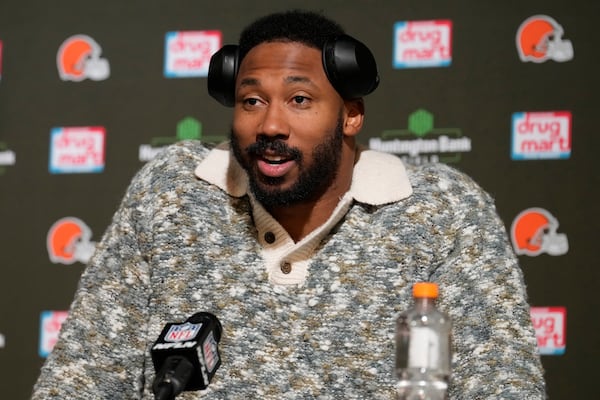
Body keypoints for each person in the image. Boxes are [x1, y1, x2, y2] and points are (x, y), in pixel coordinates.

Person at [32, 10, 546, 399]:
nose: (270, 125)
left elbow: (504, 382)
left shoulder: (443, 209)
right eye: (251, 101)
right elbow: (83, 371)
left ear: (350, 116)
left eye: (299, 100)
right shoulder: (173, 190)